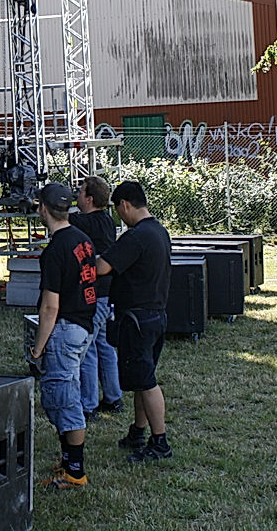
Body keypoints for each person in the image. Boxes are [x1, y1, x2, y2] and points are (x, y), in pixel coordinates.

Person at [95, 180, 173, 463]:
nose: (120, 217)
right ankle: (138, 431)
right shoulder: (159, 231)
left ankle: (160, 442)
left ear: (125, 205)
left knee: (147, 381)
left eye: (118, 211)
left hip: (136, 319)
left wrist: (82, 260)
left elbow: (103, 267)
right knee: (141, 378)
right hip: (156, 315)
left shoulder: (136, 236)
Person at [28, 182, 98, 490]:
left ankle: (75, 472)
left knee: (64, 398)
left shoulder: (55, 250)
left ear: (43, 208)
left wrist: (38, 347)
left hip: (65, 330)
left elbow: (50, 306)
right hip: (84, 326)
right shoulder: (82, 239)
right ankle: (68, 459)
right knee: (65, 392)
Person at [68, 175, 124, 420]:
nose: (76, 196)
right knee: (104, 346)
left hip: (96, 294)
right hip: (107, 294)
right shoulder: (106, 221)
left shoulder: (87, 223)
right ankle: (113, 397)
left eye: (80, 192)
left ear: (89, 199)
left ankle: (88, 404)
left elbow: (63, 219)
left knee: (87, 350)